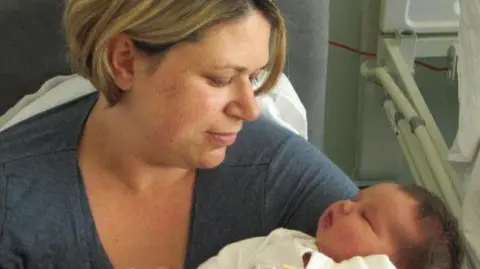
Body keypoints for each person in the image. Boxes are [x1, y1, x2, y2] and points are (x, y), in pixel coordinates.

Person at [0, 1, 359, 269]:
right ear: (124, 62)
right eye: (219, 79)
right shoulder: (15, 197)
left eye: (252, 78)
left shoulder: (277, 175)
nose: (250, 110)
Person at [198, 184, 465, 269]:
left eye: (365, 218)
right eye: (356, 199)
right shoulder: (286, 240)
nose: (346, 206)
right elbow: (225, 262)